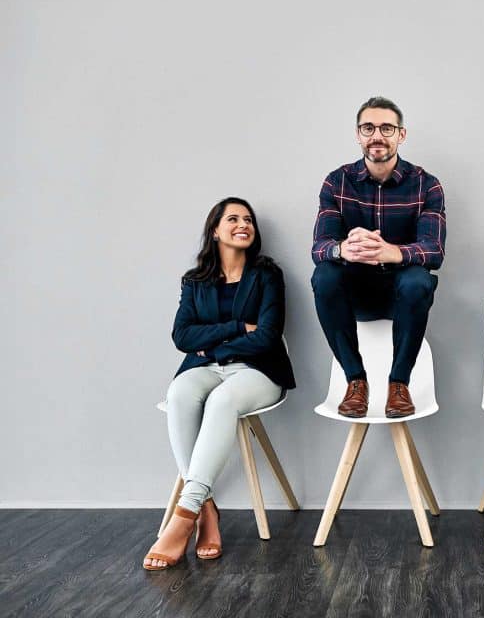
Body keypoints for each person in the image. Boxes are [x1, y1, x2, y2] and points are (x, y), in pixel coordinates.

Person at [143, 198, 295, 570]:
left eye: (248, 219)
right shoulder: (194, 282)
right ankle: (206, 506)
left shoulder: (267, 275)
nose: (243, 224)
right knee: (179, 392)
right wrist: (235, 328)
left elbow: (268, 337)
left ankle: (185, 515)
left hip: (258, 371)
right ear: (215, 230)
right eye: (232, 219)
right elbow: (182, 336)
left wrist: (214, 347)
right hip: (204, 367)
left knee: (222, 400)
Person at [311, 96, 445, 419]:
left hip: (403, 296)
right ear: (358, 135)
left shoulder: (427, 185)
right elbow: (319, 248)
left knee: (419, 278)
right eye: (368, 127)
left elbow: (435, 250)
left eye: (387, 128)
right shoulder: (337, 181)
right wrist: (344, 248)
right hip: (354, 293)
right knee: (324, 275)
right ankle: (355, 381)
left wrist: (394, 252)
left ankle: (399, 384)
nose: (377, 136)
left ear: (401, 134)